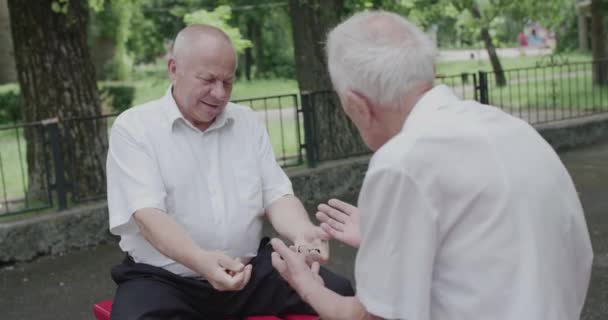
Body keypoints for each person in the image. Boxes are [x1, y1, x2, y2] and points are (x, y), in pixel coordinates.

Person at [270, 11, 593, 320]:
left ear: (357, 105)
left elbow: (374, 315)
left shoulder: (402, 161)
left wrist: (305, 284)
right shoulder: (513, 128)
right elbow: (490, 253)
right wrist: (380, 238)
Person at [106, 24, 353, 320]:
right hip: (164, 280)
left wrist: (302, 232)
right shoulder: (134, 128)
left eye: (228, 81)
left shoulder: (246, 122)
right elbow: (148, 216)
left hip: (249, 273)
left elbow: (276, 194)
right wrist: (201, 261)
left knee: (338, 292)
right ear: (174, 69)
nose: (219, 93)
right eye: (208, 80)